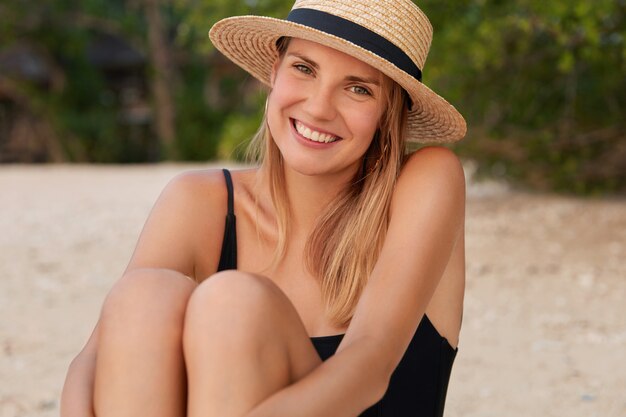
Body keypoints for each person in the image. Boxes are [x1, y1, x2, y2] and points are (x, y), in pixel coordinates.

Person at [61, 0, 467, 415]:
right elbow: (92, 360)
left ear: (388, 115)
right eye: (304, 69)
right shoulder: (202, 202)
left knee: (234, 304)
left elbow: (369, 367)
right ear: (274, 71)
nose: (318, 107)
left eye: (358, 88)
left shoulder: (428, 179)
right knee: (143, 295)